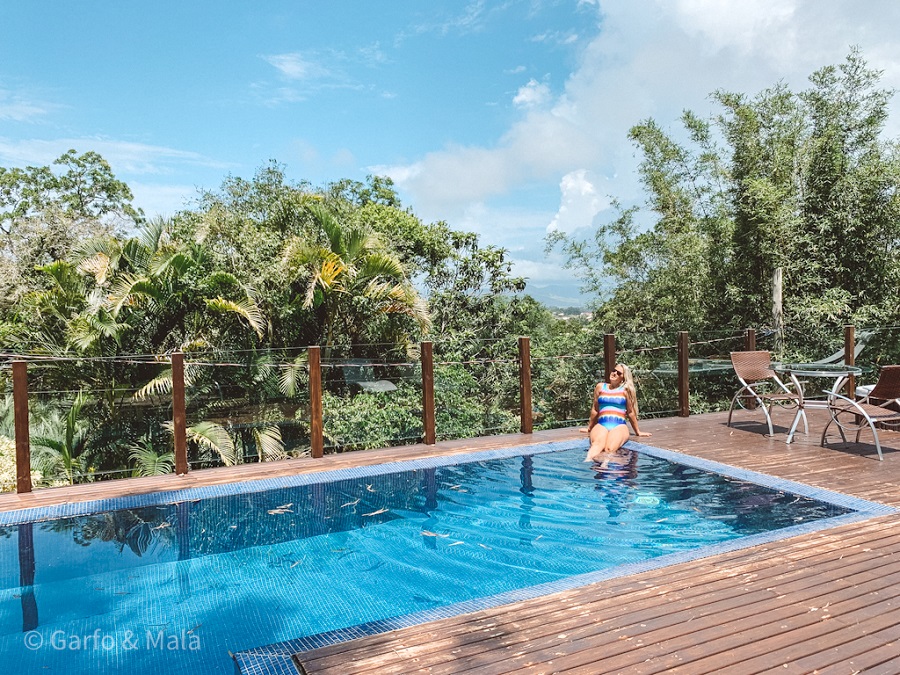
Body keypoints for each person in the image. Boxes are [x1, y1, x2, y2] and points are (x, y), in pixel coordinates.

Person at [584, 363, 651, 462]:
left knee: (609, 449)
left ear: (623, 378)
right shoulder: (600, 387)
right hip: (602, 424)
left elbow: (631, 412)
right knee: (597, 444)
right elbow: (595, 409)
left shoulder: (625, 391)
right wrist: (589, 428)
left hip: (619, 425)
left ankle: (605, 466)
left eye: (618, 373)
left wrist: (638, 431)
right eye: (613, 370)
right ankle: (586, 462)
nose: (614, 373)